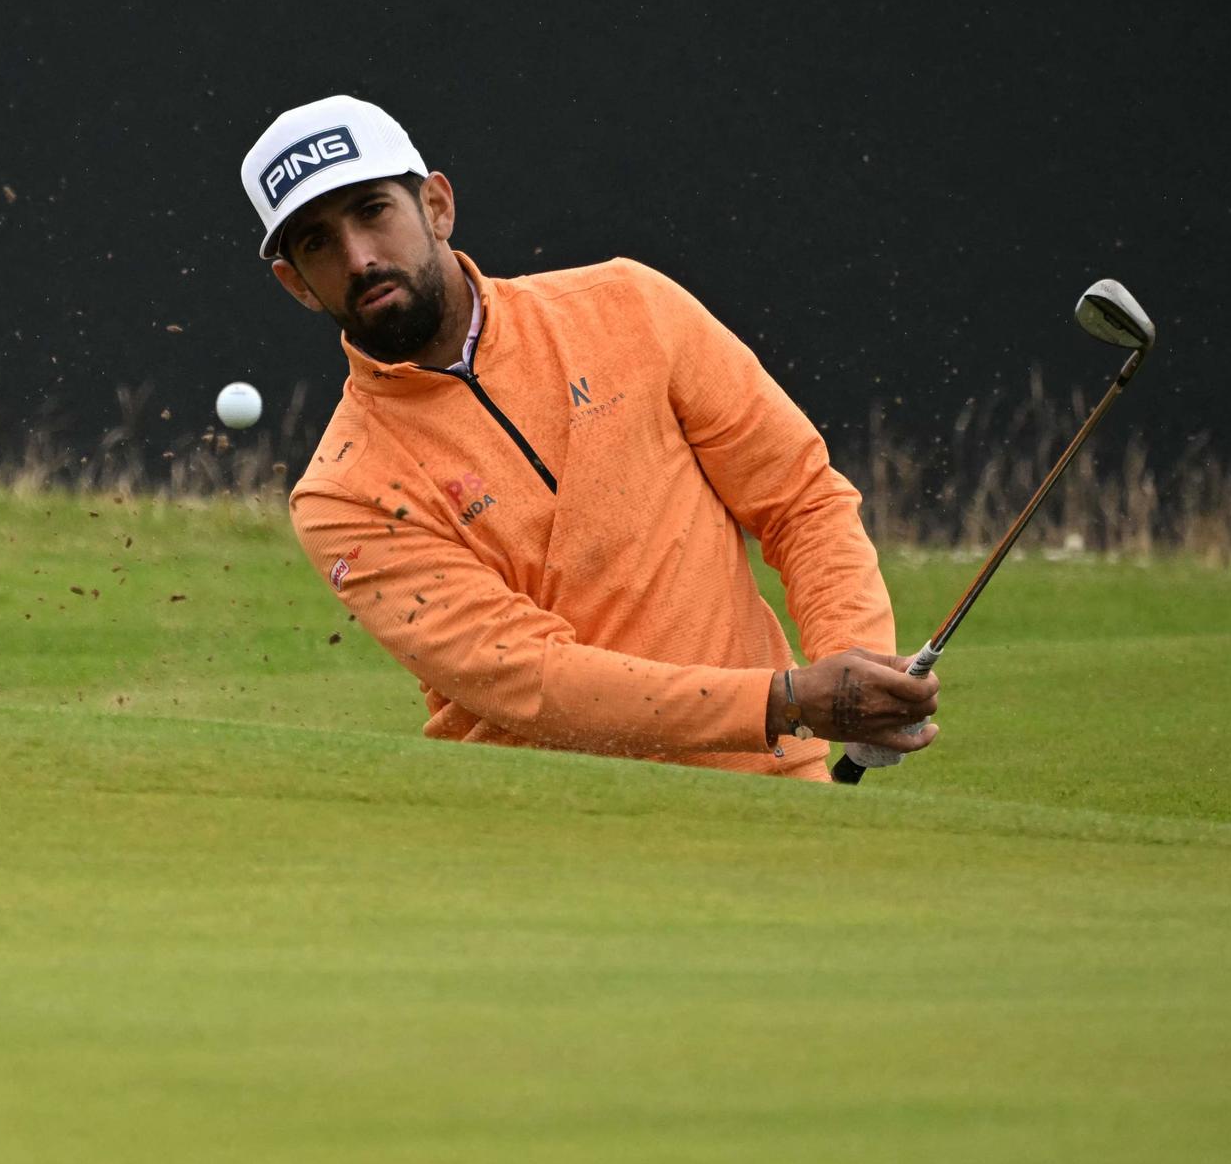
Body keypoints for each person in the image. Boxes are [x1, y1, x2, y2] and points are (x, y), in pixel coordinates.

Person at [243, 94, 937, 780]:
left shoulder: (629, 305)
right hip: (556, 836)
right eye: (317, 242)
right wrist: (786, 701)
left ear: (436, 206)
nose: (359, 257)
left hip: (776, 787)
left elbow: (799, 499)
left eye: (373, 212)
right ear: (296, 284)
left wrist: (859, 666)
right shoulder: (344, 491)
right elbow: (532, 678)